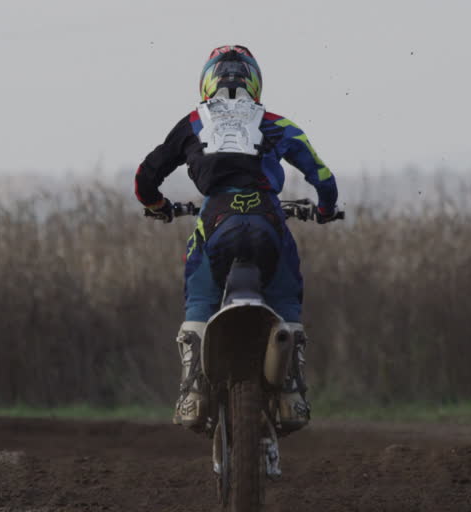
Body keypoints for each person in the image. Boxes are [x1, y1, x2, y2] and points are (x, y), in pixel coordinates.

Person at [135, 45, 340, 435]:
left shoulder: (194, 121)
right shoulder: (277, 123)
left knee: (199, 295)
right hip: (267, 219)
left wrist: (158, 205)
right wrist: (326, 210)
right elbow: (323, 176)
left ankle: (193, 392)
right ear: (256, 82)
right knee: (285, 294)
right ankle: (291, 393)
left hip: (214, 220)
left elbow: (145, 178)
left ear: (207, 82)